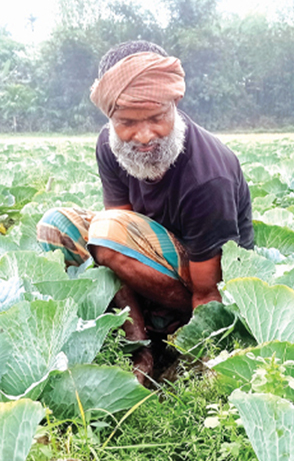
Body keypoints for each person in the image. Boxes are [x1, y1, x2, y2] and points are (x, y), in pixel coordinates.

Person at [37, 40, 254, 383]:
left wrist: (202, 363)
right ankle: (137, 345)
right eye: (126, 122)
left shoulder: (209, 175)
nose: (143, 135)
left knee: (107, 229)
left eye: (156, 117)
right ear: (109, 117)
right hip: (143, 263)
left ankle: (173, 339)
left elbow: (209, 292)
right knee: (57, 226)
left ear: (174, 104)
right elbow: (117, 244)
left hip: (209, 282)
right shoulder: (110, 147)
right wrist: (137, 338)